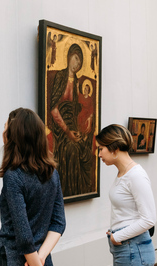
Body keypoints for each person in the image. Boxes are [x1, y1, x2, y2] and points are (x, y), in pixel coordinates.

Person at [0, 108, 66, 266]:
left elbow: (24, 238)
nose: (3, 133)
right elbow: (59, 223)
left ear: (14, 137)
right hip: (42, 264)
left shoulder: (13, 176)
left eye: (6, 129)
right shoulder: (52, 174)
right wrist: (40, 261)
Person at [95, 124, 156, 266]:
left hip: (133, 249)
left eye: (101, 149)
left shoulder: (135, 175)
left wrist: (117, 236)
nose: (99, 155)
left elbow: (149, 219)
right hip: (127, 248)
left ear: (114, 148)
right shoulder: (123, 173)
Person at [49, 44, 95, 197]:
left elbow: (80, 108)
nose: (77, 64)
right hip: (60, 128)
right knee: (72, 150)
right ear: (69, 56)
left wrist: (86, 121)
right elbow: (53, 108)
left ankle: (79, 192)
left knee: (87, 153)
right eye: (76, 58)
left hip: (73, 126)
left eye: (80, 62)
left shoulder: (76, 81)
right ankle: (67, 191)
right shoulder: (60, 77)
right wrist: (68, 132)